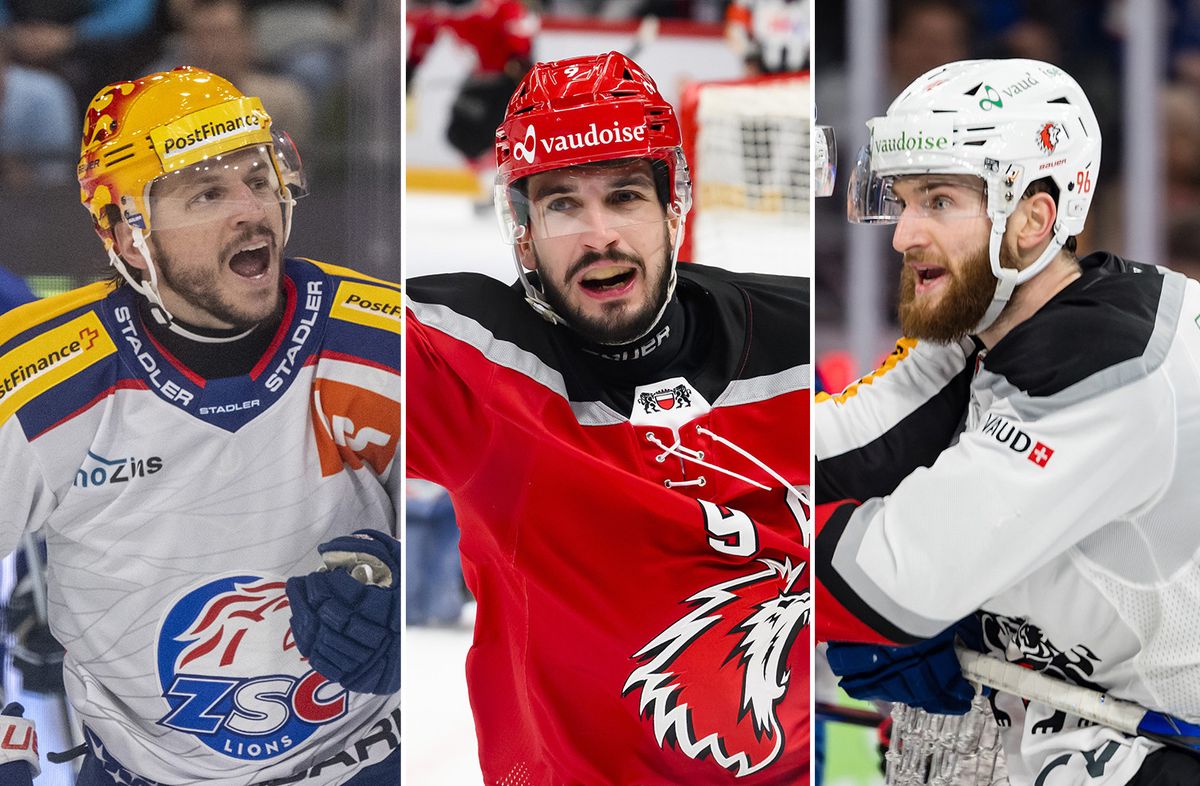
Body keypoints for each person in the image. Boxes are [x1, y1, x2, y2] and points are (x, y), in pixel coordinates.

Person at [408, 51, 810, 785]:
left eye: (624, 195)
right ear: (522, 230)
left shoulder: (803, 343)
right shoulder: (475, 366)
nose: (599, 236)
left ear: (672, 208)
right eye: (562, 203)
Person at [0, 66, 400, 784]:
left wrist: (407, 598)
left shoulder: (384, 342)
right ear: (127, 236)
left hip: (367, 761)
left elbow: (502, 525)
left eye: (257, 176)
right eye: (207, 193)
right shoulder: (41, 380)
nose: (251, 210)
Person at [814, 58, 1200, 785]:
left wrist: (722, 544)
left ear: (1034, 217)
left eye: (938, 200)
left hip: (1171, 750)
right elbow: (839, 450)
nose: (903, 235)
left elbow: (895, 583)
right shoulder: (989, 321)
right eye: (901, 200)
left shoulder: (1109, 364)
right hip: (1089, 719)